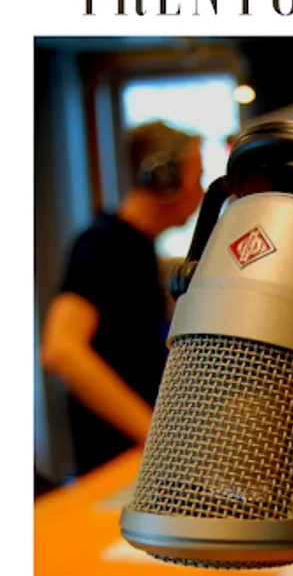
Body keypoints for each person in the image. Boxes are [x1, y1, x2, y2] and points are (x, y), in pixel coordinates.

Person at [41, 121, 205, 476]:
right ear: (164, 178)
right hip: (114, 465)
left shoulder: (138, 249)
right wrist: (154, 435)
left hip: (139, 461)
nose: (202, 192)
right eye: (197, 178)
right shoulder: (103, 244)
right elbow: (61, 348)